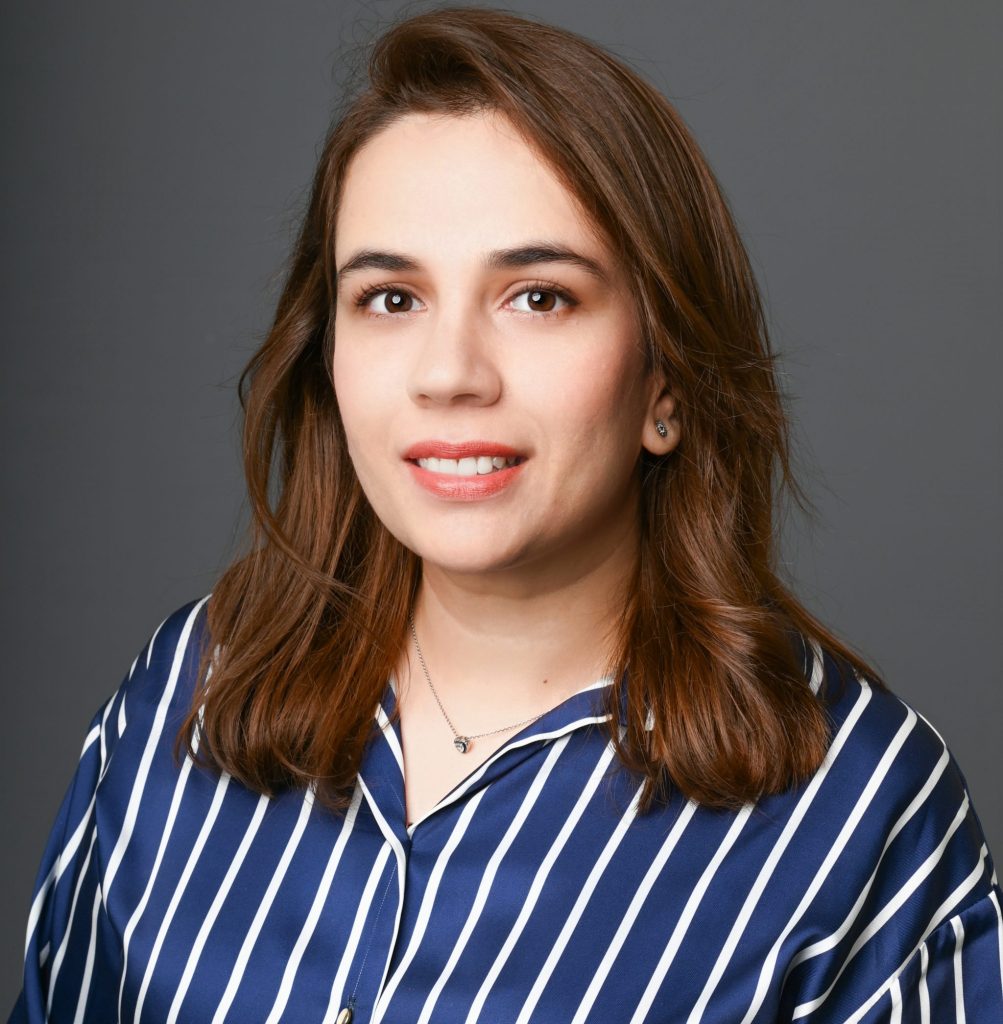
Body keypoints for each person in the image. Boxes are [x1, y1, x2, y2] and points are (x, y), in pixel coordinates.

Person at [10, 6, 1002, 1023]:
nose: (449, 374)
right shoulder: (189, 688)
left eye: (537, 297)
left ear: (666, 380)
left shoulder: (862, 810)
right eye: (391, 298)